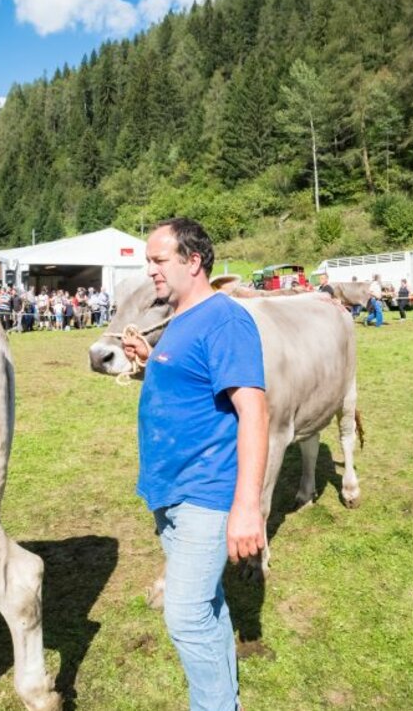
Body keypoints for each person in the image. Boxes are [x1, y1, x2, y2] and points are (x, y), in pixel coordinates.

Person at [120, 217, 268, 710]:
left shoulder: (224, 319)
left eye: (159, 261)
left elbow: (254, 411)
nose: (151, 271)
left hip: (207, 493)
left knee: (184, 615)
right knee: (207, 604)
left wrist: (247, 508)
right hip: (170, 491)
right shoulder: (181, 319)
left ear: (194, 260)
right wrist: (149, 362)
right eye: (149, 261)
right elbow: (190, 386)